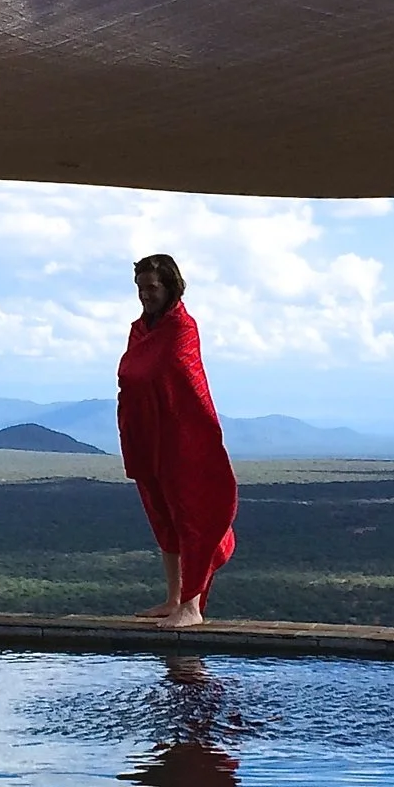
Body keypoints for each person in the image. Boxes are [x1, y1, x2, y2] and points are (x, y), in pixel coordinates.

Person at [116, 254, 237, 628]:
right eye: (140, 288)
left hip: (185, 438)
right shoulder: (140, 330)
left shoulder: (183, 327)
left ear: (171, 287)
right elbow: (134, 372)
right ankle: (173, 599)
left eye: (152, 288)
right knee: (163, 519)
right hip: (148, 435)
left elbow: (177, 377)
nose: (145, 296)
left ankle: (192, 606)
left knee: (192, 518)